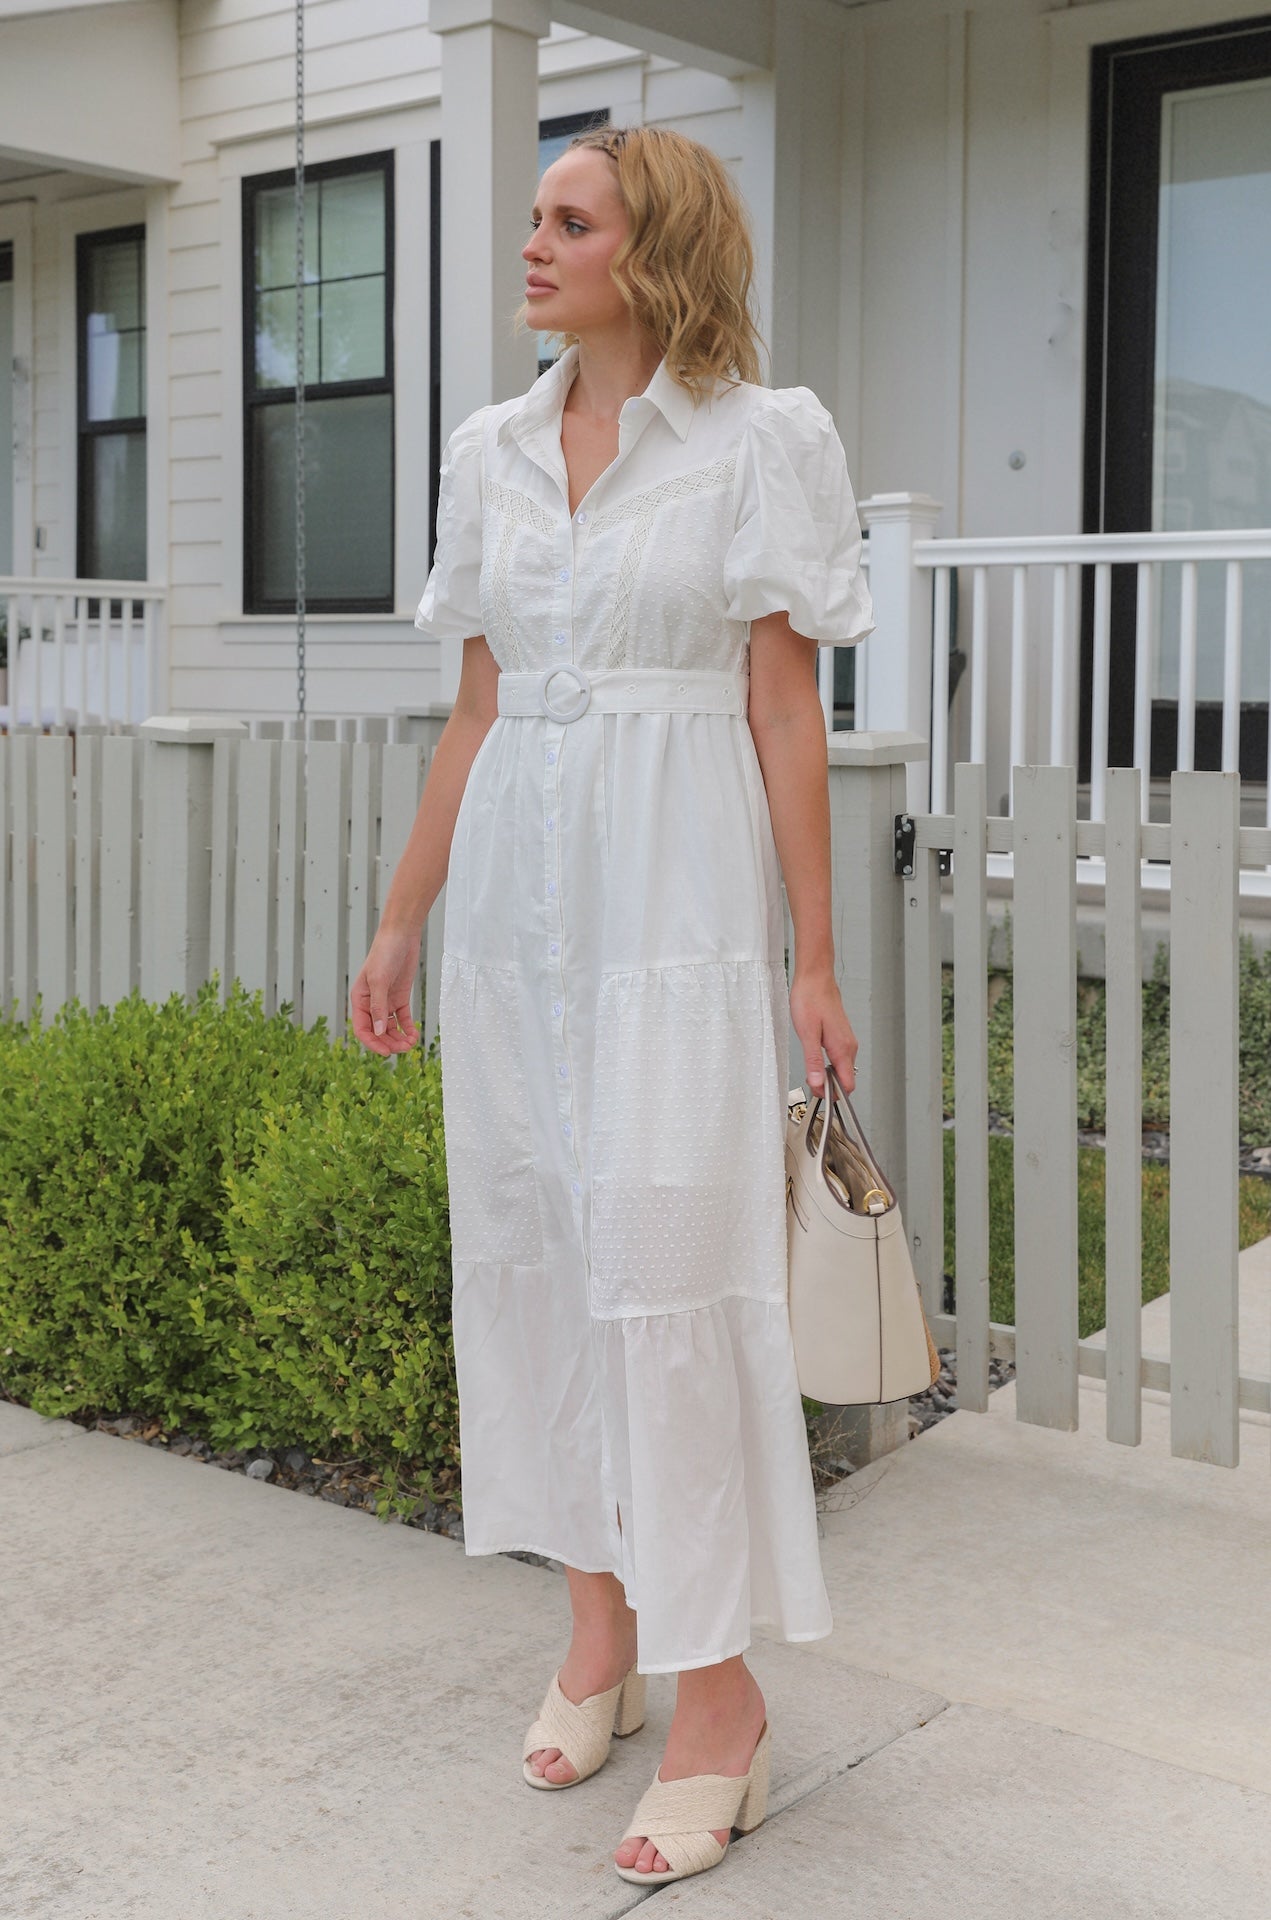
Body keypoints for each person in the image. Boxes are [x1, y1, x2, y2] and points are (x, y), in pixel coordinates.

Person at [350, 123, 873, 1890]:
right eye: (534, 218)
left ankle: (718, 1698)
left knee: (667, 1272)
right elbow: (479, 708)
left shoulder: (755, 443)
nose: (534, 242)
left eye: (570, 221)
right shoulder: (491, 452)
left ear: (653, 251)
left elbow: (785, 713)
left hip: (672, 917)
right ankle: (599, 1635)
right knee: (540, 1258)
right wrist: (405, 916)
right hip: (513, 919)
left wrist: (810, 953)